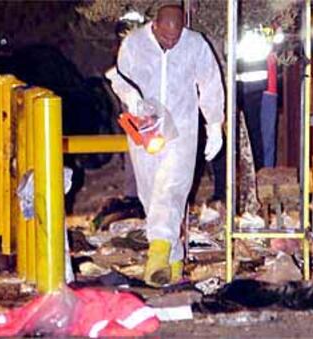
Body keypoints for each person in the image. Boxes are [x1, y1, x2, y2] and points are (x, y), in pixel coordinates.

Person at [107, 3, 224, 286]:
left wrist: (214, 124)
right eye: (165, 37)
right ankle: (173, 260)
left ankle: (157, 255)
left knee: (171, 190)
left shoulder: (195, 45)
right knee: (151, 195)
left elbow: (210, 84)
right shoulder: (134, 44)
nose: (171, 42)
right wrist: (132, 99)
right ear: (155, 25)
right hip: (146, 130)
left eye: (176, 37)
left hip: (183, 130)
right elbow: (119, 78)